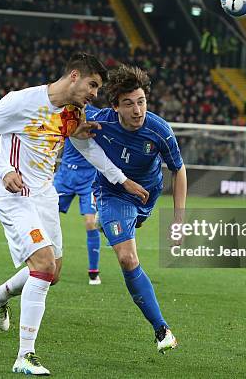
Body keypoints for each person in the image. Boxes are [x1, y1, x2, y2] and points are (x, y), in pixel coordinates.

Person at [0, 53, 147, 375]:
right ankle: (25, 355)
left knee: (53, 273)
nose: (95, 94)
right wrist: (4, 168)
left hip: (45, 196)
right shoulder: (21, 101)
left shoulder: (72, 112)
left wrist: (122, 179)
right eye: (93, 85)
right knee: (44, 265)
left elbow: (86, 148)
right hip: (15, 195)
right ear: (74, 76)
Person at [70, 64, 187, 353]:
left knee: (127, 230)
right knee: (127, 257)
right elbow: (69, 121)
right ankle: (162, 330)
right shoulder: (101, 120)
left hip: (148, 194)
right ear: (115, 106)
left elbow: (179, 170)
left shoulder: (159, 130)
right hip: (113, 193)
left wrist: (179, 220)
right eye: (128, 104)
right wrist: (75, 129)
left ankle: (111, 224)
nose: (137, 111)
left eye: (141, 102)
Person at [53, 97, 107, 285]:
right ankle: (43, 261)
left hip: (88, 178)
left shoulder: (96, 115)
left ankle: (93, 272)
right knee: (45, 214)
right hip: (65, 175)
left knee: (90, 223)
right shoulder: (64, 111)